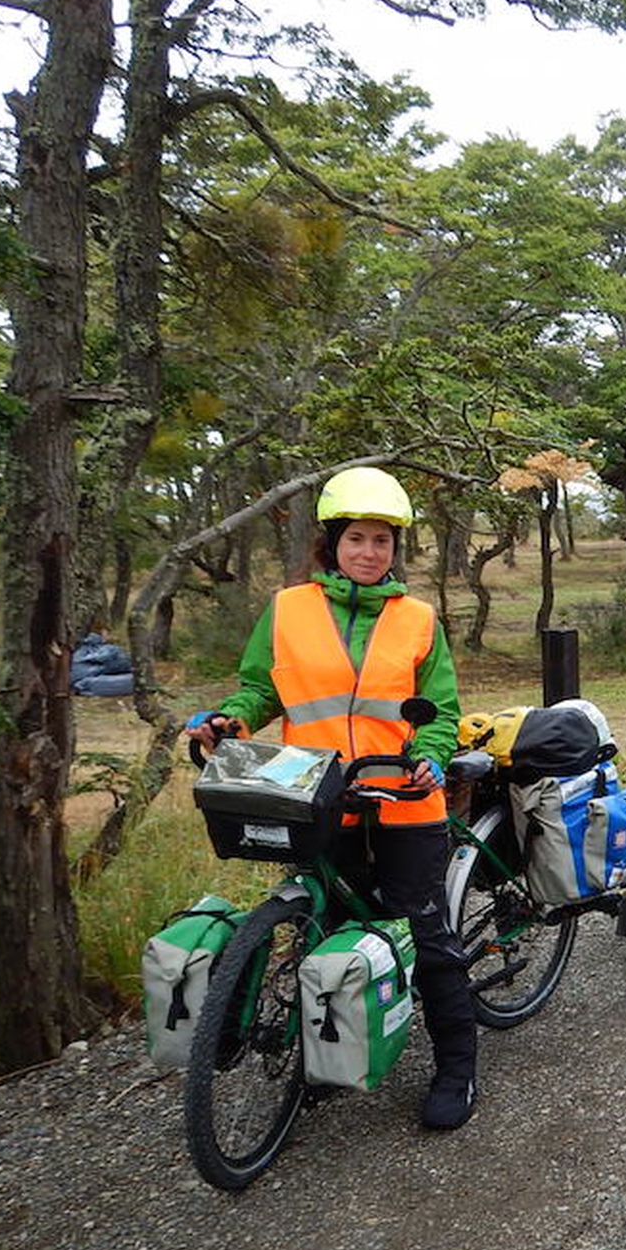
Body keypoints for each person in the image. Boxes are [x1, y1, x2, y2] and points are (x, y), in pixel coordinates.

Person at [185, 465, 477, 1130]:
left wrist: (429, 760)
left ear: (396, 549)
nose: (370, 552)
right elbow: (261, 687)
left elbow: (439, 713)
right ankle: (332, 1055)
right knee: (324, 932)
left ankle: (457, 1070)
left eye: (382, 541)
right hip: (316, 800)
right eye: (357, 539)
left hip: (403, 801)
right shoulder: (288, 610)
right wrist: (233, 720)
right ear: (332, 544)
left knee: (427, 939)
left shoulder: (419, 621)